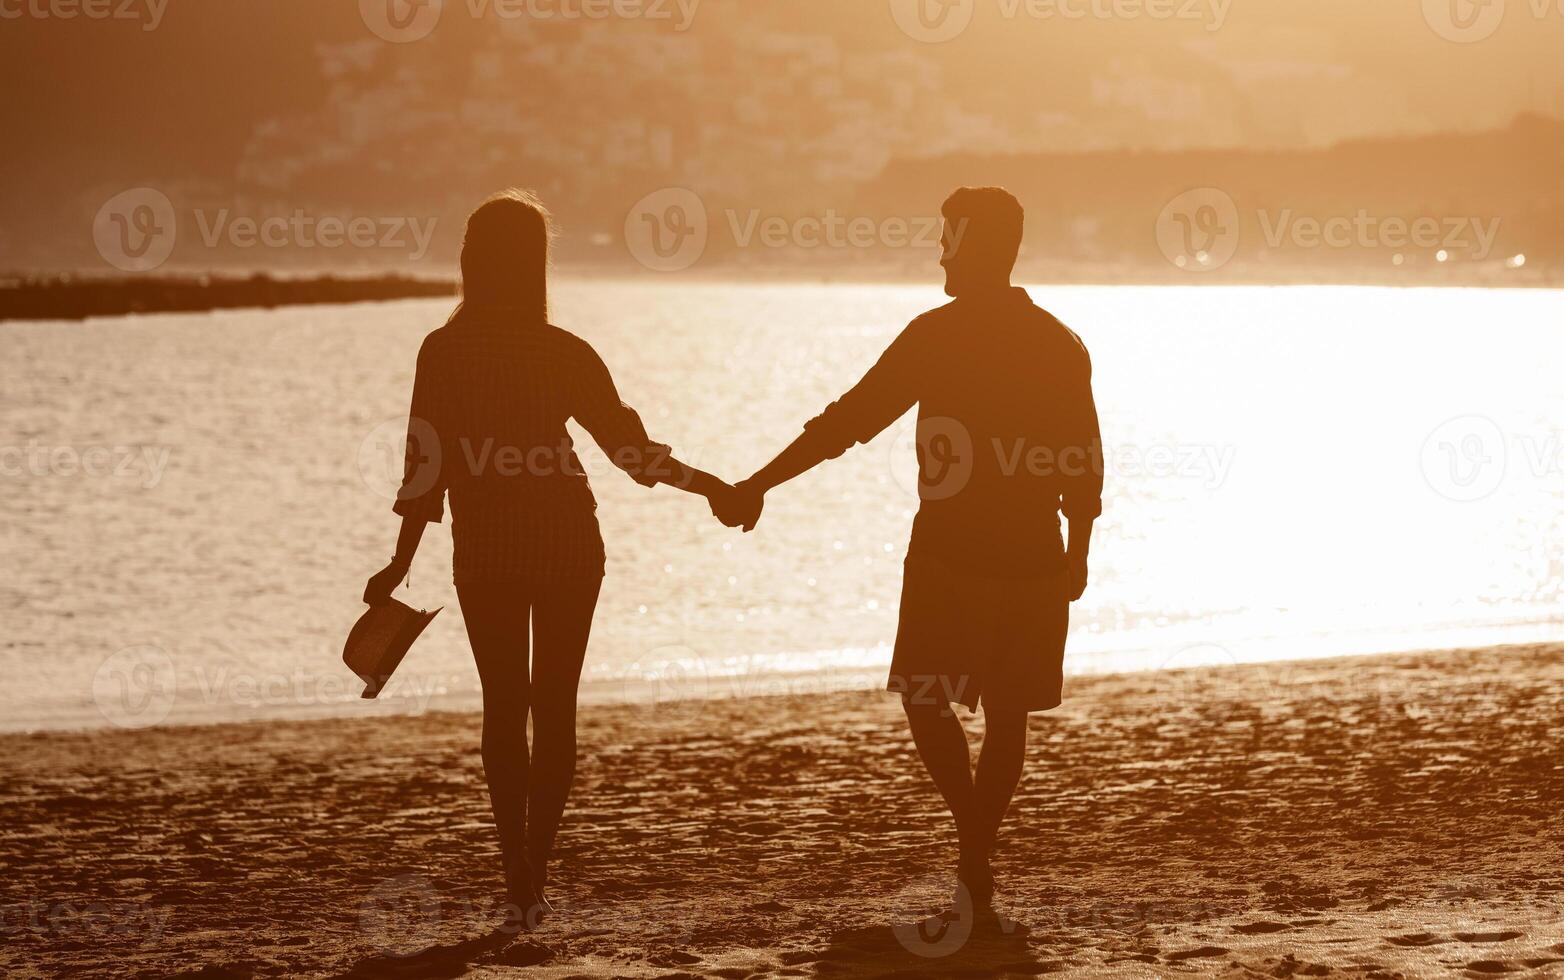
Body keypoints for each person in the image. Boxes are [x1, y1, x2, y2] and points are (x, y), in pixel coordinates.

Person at [363, 189, 746, 926]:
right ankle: (533, 866)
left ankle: (518, 871)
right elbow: (633, 454)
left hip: (487, 553)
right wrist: (713, 488)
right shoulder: (563, 350)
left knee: (504, 709)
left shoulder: (443, 351)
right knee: (555, 708)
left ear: (472, 261)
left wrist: (399, 561)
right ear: (537, 264)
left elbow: (423, 465)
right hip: (570, 542)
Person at [726, 187, 1104, 910]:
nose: (939, 250)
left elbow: (848, 421)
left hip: (950, 556)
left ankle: (971, 841)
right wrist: (1078, 545)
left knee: (928, 702)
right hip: (1032, 552)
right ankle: (975, 848)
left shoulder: (938, 334)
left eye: (948, 237)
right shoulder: (1058, 341)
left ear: (975, 246)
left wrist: (759, 483)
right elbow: (1082, 457)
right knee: (1007, 713)